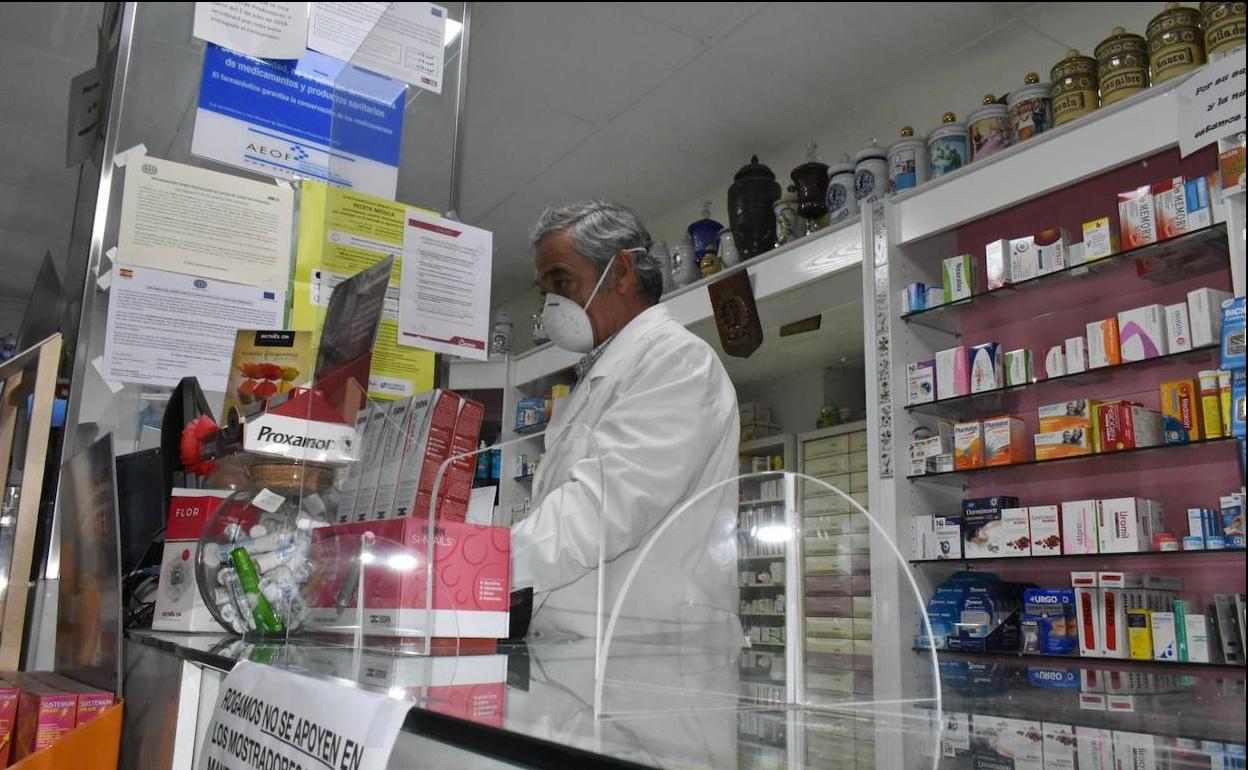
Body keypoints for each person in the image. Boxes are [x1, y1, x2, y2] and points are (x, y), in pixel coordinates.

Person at [511, 199, 740, 643]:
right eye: (546, 293)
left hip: (650, 656)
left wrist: (480, 565)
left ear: (620, 272)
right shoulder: (599, 376)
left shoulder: (678, 361)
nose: (553, 306)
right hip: (589, 652)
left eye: (562, 282)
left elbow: (604, 508)